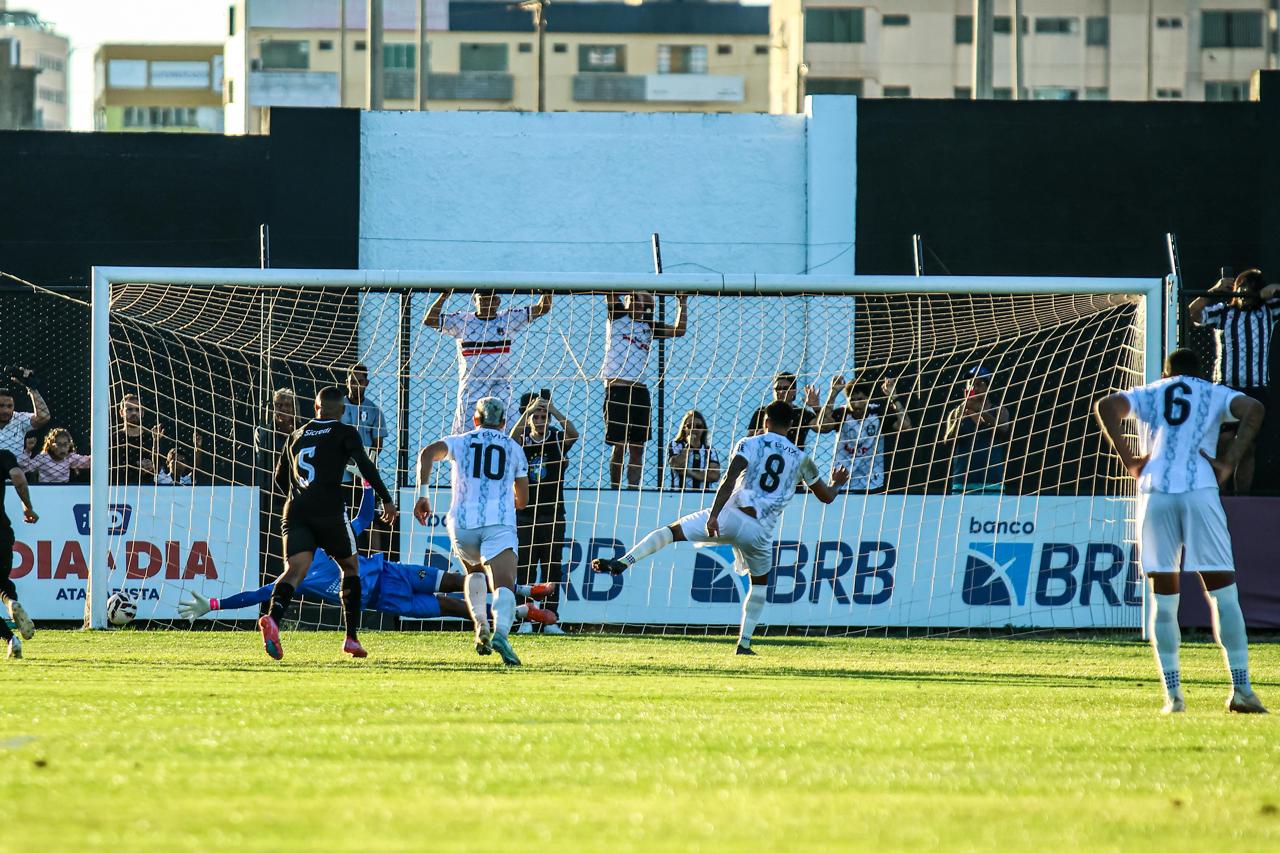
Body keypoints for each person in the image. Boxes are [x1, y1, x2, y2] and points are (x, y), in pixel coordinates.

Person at [591, 401, 849, 655]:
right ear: (791, 426)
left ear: (765, 422)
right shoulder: (802, 458)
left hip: (731, 515)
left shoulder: (749, 443)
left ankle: (625, 561)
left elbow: (728, 478)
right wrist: (836, 483)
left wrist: (714, 515)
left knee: (671, 532)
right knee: (758, 585)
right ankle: (744, 643)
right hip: (760, 531)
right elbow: (826, 496)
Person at [1095, 348, 1267, 714]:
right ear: (1199, 371)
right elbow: (1254, 409)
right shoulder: (1211, 391)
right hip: (1200, 489)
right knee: (1224, 593)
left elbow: (1107, 406)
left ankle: (1173, 696)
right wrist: (1228, 463)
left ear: (1166, 370)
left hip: (1156, 491)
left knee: (1164, 597)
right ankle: (1241, 689)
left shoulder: (1151, 391)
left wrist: (1129, 459)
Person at [178, 486, 557, 626]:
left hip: (394, 572)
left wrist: (367, 483)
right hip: (385, 599)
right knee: (457, 608)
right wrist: (213, 603)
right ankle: (524, 612)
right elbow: (258, 597)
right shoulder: (296, 574)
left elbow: (361, 518)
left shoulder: (334, 540)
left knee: (461, 580)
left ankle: (522, 589)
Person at [261, 386, 399, 661]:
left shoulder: (295, 436)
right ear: (343, 411)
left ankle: (274, 618)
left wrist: (301, 493)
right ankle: (351, 637)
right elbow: (364, 464)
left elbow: (279, 479)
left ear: (316, 407)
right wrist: (386, 498)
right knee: (350, 566)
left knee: (295, 569)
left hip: (296, 509)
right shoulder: (345, 432)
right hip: (329, 510)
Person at [414, 397, 529, 666]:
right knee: (503, 584)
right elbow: (522, 500)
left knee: (474, 573)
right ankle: (501, 633)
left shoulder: (460, 440)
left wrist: (423, 494)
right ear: (503, 423)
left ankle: (480, 626)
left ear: (475, 420)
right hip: (498, 522)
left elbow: (427, 453)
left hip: (462, 522)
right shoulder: (513, 448)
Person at [1188, 268, 1280, 493]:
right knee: (1224, 442)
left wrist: (1277, 288)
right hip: (1226, 388)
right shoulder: (1224, 312)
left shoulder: (1269, 311)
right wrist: (1213, 290)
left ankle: (1242, 498)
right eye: (1243, 288)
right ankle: (1220, 495)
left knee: (1248, 447)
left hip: (1256, 389)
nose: (1247, 294)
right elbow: (1193, 313)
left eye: (1252, 289)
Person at [424, 291, 553, 434]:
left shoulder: (508, 319)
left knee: (511, 434)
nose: (487, 303)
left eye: (491, 300)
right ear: (474, 301)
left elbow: (543, 308)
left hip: (500, 385)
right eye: (482, 300)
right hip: (471, 387)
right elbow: (430, 320)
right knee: (464, 434)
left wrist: (547, 291)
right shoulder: (462, 321)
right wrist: (444, 295)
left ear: (498, 301)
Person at [601, 291, 688, 488]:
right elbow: (610, 292)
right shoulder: (617, 316)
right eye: (635, 300)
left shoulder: (649, 326)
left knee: (637, 447)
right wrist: (631, 291)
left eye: (643, 303)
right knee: (619, 444)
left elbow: (679, 330)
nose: (639, 306)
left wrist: (682, 303)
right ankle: (615, 487)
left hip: (640, 390)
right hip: (618, 388)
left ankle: (633, 488)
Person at [510, 392, 578, 632]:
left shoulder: (557, 438)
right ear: (529, 419)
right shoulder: (521, 443)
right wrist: (527, 413)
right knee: (525, 567)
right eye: (535, 416)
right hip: (525, 514)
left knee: (551, 566)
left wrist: (554, 410)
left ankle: (550, 619)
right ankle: (526, 617)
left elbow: (574, 434)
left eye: (543, 416)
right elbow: (510, 438)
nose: (539, 420)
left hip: (552, 513)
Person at [817, 375, 911, 492]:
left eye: (861, 399)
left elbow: (906, 425)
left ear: (868, 398)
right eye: (852, 400)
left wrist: (894, 397)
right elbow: (822, 426)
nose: (856, 404)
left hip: (872, 480)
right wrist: (833, 393)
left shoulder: (877, 413)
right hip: (842, 480)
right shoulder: (842, 413)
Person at [943, 366, 1012, 494]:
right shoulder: (955, 413)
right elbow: (947, 441)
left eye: (979, 384)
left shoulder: (999, 410)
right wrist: (959, 419)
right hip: (962, 483)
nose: (974, 388)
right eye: (970, 384)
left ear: (988, 387)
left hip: (992, 481)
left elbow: (1003, 429)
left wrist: (980, 410)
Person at [1, 447, 38, 660]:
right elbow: (17, 476)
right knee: (2, 582)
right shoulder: (4, 456)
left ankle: (10, 639)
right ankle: (10, 604)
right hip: (2, 532)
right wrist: (27, 506)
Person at [745, 372, 821, 450]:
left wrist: (816, 408)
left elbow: (823, 428)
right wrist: (759, 436)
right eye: (778, 388)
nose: (781, 392)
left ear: (794, 391)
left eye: (785, 388)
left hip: (793, 458)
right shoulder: (762, 412)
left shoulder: (801, 414)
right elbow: (748, 440)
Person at [110, 394, 164, 484]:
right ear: (121, 413)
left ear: (142, 413)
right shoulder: (113, 438)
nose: (134, 413)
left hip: (146, 491)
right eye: (130, 409)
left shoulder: (152, 438)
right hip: (118, 490)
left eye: (137, 409)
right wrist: (136, 466)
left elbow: (159, 469)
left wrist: (150, 467)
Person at [0, 369, 51, 456]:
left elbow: (44, 417)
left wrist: (31, 388)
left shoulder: (19, 419)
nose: (6, 411)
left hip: (15, 468)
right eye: (0, 406)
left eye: (9, 406)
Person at [667, 409, 721, 491]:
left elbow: (714, 476)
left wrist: (688, 472)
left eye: (698, 426)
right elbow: (676, 464)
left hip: (703, 495)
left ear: (703, 430)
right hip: (678, 494)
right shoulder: (676, 445)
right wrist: (689, 447)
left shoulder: (709, 450)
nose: (694, 429)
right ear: (684, 428)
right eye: (690, 426)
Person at [254, 389, 298, 488]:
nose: (283, 409)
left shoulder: (302, 431)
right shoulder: (263, 432)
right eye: (279, 405)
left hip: (295, 486)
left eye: (287, 405)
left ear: (294, 408)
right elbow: (262, 461)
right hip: (270, 487)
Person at [24, 428, 91, 485]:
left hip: (64, 490)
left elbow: (88, 461)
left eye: (65, 444)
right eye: (59, 444)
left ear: (69, 445)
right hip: (45, 489)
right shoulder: (43, 458)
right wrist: (28, 450)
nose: (62, 448)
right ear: (51, 446)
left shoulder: (69, 458)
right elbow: (27, 467)